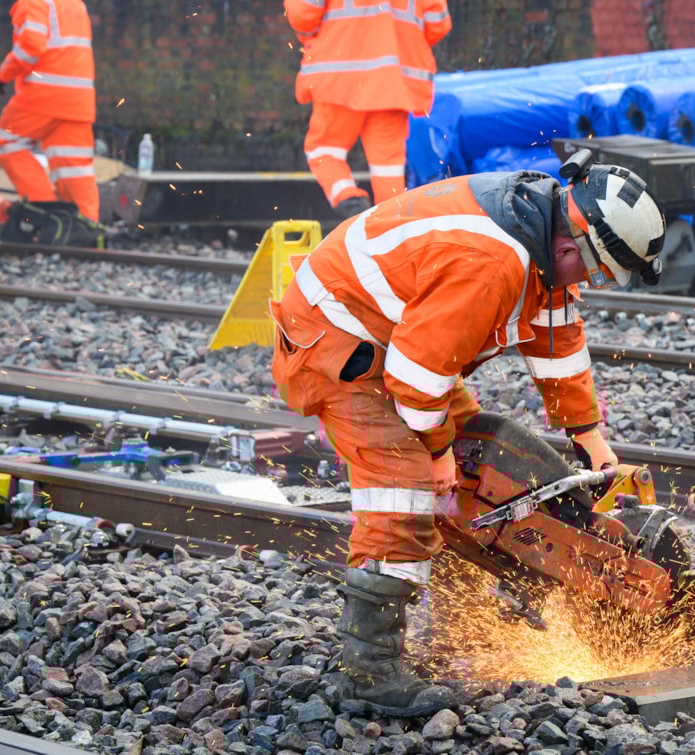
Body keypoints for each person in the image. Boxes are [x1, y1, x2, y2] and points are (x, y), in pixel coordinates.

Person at [270, 150, 667, 717]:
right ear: (572, 243)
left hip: (396, 344)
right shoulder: (493, 259)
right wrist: (434, 455)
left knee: (476, 470)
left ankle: (456, 633)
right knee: (405, 491)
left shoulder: (542, 225)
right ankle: (370, 673)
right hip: (337, 347)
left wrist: (589, 436)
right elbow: (415, 378)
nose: (594, 282)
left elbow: (556, 333)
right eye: (597, 270)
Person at [283, 0, 451, 219]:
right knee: (388, 165)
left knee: (323, 149)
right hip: (393, 81)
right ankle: (391, 226)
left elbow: (302, 14)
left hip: (339, 76)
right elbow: (437, 24)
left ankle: (349, 200)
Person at [0, 0, 99, 226]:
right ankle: (86, 227)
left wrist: (3, 74)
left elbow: (31, 45)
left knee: (7, 141)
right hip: (79, 98)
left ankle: (46, 215)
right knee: (74, 168)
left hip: (43, 95)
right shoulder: (74, 4)